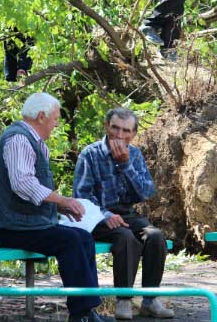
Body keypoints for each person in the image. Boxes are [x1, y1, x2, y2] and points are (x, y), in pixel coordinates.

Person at [0, 93, 113, 322]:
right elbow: (23, 184)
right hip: (9, 227)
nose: (56, 125)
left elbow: (30, 191)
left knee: (82, 237)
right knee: (70, 240)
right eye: (55, 119)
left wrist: (60, 208)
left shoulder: (31, 141)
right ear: (41, 117)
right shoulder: (19, 139)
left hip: (25, 224)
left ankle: (87, 311)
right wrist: (61, 201)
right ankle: (81, 314)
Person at [72, 108, 174, 320]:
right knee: (126, 237)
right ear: (106, 127)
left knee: (155, 236)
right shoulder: (90, 154)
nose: (119, 135)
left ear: (133, 134)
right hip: (97, 217)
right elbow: (81, 196)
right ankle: (124, 300)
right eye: (115, 128)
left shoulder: (134, 155)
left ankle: (150, 300)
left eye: (126, 131)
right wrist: (104, 215)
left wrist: (126, 164)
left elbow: (145, 193)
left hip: (127, 215)